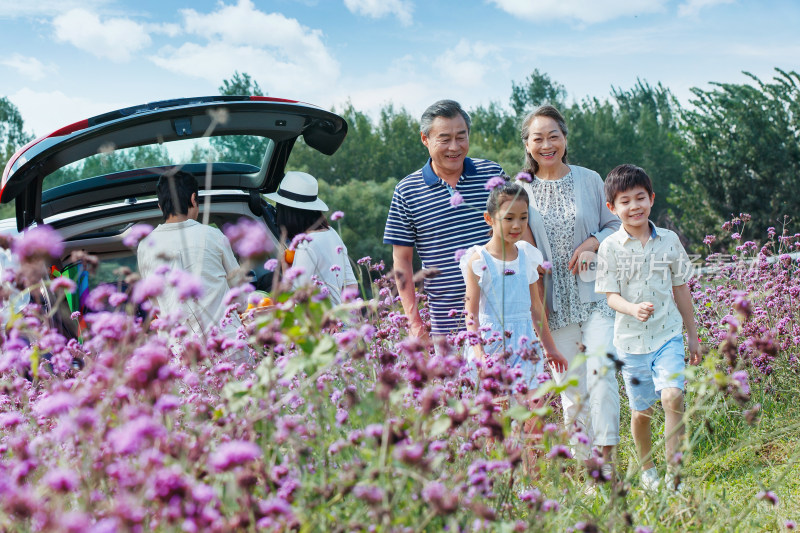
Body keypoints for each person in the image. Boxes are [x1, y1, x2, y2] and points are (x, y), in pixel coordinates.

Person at [519, 105, 621, 469]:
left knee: (603, 377)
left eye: (553, 136)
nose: (547, 144)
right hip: (552, 306)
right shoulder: (521, 189)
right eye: (538, 138)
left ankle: (608, 463)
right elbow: (519, 246)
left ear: (565, 139)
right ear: (527, 145)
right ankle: (588, 468)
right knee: (572, 392)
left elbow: (616, 225)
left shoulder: (590, 179)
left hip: (595, 298)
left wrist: (592, 241)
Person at [595, 164, 701, 492]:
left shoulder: (668, 240)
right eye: (625, 201)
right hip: (630, 343)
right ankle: (646, 466)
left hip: (667, 335)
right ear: (612, 208)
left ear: (652, 199)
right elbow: (610, 296)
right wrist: (632, 308)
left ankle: (675, 473)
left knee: (673, 397)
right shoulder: (609, 248)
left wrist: (693, 336)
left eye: (640, 198)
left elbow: (681, 287)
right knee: (642, 412)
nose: (635, 206)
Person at [384, 99, 507, 346]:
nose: (454, 147)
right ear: (425, 139)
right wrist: (414, 321)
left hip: (502, 314)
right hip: (447, 322)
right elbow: (402, 260)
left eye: (461, 137)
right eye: (444, 139)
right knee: (456, 385)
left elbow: (517, 235)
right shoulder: (406, 191)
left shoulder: (493, 176)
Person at [460, 181, 568, 388]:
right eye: (509, 218)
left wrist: (550, 348)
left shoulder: (527, 255)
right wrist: (479, 354)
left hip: (524, 342)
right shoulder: (478, 260)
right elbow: (470, 314)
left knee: (530, 408)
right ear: (489, 219)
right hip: (490, 344)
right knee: (497, 411)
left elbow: (535, 307)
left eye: (523, 218)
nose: (517, 225)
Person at [137, 170, 249, 362]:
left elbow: (157, 305)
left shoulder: (146, 247)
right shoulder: (214, 236)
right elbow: (240, 298)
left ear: (160, 206)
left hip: (182, 358)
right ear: (193, 198)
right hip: (228, 348)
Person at [265, 171, 357, 305]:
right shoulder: (332, 233)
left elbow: (295, 299)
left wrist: (286, 271)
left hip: (318, 323)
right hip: (338, 322)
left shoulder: (306, 245)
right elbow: (351, 285)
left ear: (287, 213)